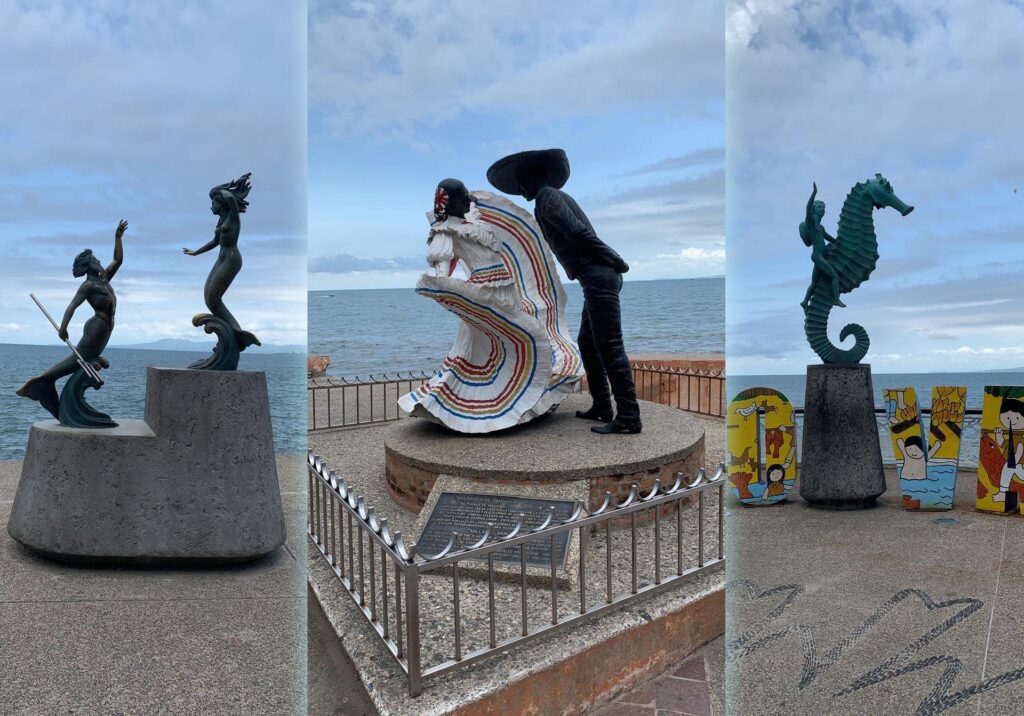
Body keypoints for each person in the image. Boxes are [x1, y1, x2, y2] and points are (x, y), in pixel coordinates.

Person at [487, 149, 641, 434]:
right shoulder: (550, 199)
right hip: (595, 276)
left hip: (598, 275)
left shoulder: (547, 198)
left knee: (610, 346)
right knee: (588, 343)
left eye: (522, 181)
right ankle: (603, 407)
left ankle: (629, 416)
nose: (520, 188)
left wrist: (613, 257)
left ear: (537, 177)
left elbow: (579, 234)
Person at [17, 220, 128, 418]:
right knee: (79, 359)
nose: (100, 262)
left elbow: (118, 260)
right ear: (90, 265)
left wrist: (117, 238)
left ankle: (64, 380)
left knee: (85, 358)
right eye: (96, 260)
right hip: (97, 325)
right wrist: (63, 328)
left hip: (107, 328)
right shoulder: (88, 286)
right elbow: (72, 306)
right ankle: (43, 380)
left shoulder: (104, 279)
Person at [183, 172, 260, 351]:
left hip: (232, 260)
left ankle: (238, 334)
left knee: (214, 299)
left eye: (213, 202)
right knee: (209, 299)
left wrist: (220, 190)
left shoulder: (233, 216)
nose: (211, 207)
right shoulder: (222, 221)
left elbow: (230, 198)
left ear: (221, 202)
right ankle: (235, 334)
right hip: (222, 258)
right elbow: (215, 242)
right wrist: (196, 252)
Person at [799, 182, 845, 311]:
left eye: (823, 207)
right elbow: (807, 208)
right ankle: (836, 299)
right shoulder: (810, 224)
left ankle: (804, 301)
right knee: (834, 276)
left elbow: (829, 238)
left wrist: (839, 241)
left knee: (814, 282)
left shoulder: (821, 227)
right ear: (814, 209)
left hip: (822, 255)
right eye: (819, 207)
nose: (822, 209)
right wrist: (814, 193)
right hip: (817, 256)